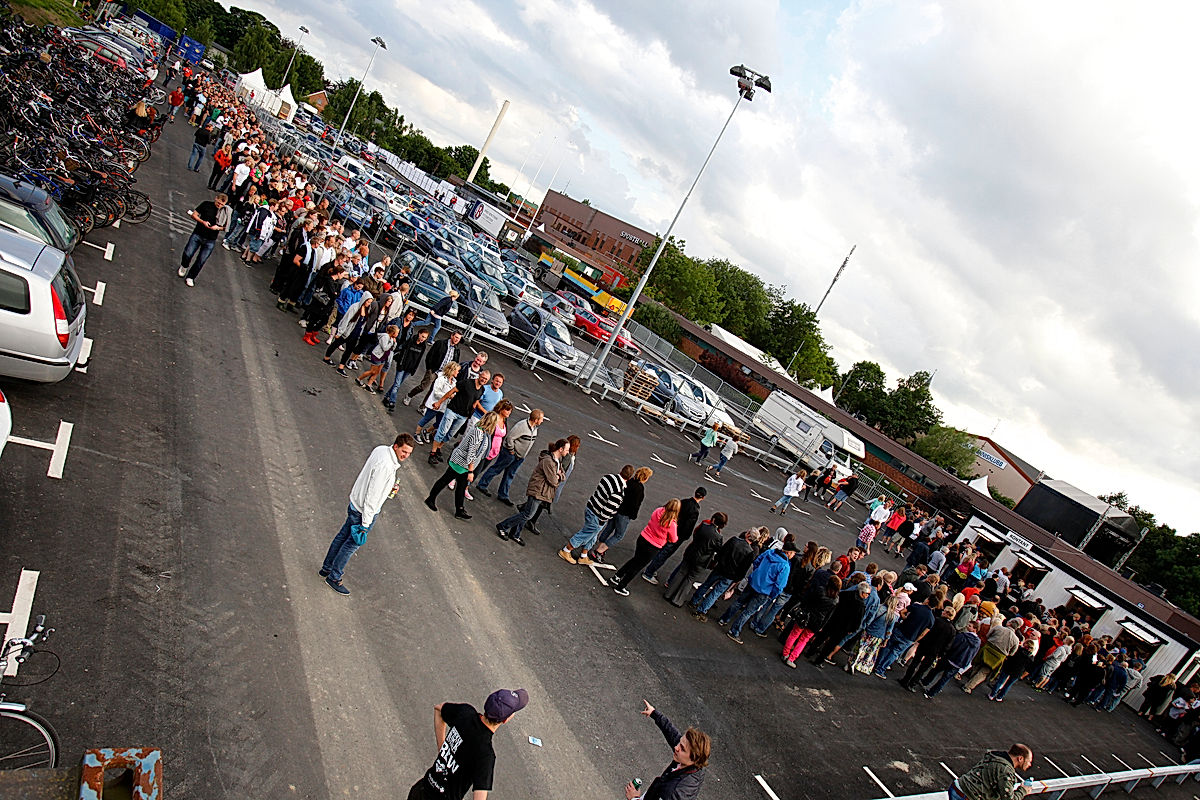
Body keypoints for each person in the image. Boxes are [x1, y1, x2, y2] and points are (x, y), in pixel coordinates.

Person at [319, 434, 415, 595]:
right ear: (396, 446)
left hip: (355, 503)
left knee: (342, 537)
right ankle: (334, 577)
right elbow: (372, 495)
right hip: (364, 512)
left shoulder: (381, 450)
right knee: (351, 545)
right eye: (404, 451)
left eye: (409, 453)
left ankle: (326, 568)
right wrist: (366, 523)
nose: (405, 456)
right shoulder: (386, 466)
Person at [407, 688, 529, 800]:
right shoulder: (485, 755)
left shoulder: (465, 712)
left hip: (421, 790)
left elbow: (439, 709)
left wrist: (442, 748)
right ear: (505, 720)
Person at [627, 700, 709, 800]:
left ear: (694, 759)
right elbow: (673, 736)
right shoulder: (696, 765)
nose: (676, 747)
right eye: (680, 743)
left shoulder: (671, 793)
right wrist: (654, 714)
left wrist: (633, 798)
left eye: (682, 749)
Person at [425, 411, 500, 520]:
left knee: (460, 486)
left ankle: (459, 509)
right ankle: (431, 499)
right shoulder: (478, 433)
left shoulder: (482, 431)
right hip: (460, 462)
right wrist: (470, 471)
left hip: (463, 464)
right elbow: (471, 452)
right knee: (445, 480)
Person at [719, 542, 796, 644]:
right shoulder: (785, 566)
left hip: (753, 583)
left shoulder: (770, 552)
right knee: (748, 612)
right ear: (789, 553)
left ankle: (724, 619)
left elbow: (756, 562)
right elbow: (779, 585)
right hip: (764, 592)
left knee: (739, 602)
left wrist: (757, 574)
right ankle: (734, 631)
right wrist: (772, 595)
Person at [495, 438, 569, 546]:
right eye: (567, 450)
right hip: (538, 491)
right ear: (561, 449)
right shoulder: (548, 461)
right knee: (527, 515)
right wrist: (557, 476)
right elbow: (553, 481)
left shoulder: (557, 461)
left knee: (526, 513)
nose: (568, 453)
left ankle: (515, 534)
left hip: (543, 492)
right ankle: (503, 526)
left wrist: (558, 475)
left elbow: (563, 476)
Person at [609, 499, 681, 596]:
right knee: (637, 567)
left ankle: (617, 576)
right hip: (653, 546)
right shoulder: (671, 524)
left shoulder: (658, 511)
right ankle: (621, 586)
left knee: (635, 559)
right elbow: (674, 539)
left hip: (643, 537)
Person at [560, 468, 630, 565]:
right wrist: (602, 521)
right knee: (586, 533)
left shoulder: (608, 477)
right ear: (629, 478)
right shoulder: (619, 492)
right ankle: (566, 550)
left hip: (591, 507)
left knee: (593, 536)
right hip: (598, 515)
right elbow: (608, 510)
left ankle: (584, 555)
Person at [476, 409, 543, 505]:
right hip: (510, 454)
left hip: (520, 457)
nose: (542, 421)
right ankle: (482, 485)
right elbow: (510, 438)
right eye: (541, 419)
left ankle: (503, 495)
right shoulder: (522, 426)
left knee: (510, 475)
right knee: (497, 469)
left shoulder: (535, 428)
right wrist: (511, 450)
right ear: (536, 420)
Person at [689, 528, 756, 621]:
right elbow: (743, 569)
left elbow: (722, 551)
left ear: (748, 535)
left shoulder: (734, 540)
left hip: (720, 568)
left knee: (707, 584)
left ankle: (694, 600)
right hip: (730, 575)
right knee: (716, 593)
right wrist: (736, 579)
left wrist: (717, 561)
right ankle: (702, 610)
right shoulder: (750, 552)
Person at [643, 487, 705, 585]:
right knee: (665, 554)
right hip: (678, 535)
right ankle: (649, 572)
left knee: (661, 550)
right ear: (703, 498)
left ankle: (651, 568)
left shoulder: (684, 502)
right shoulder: (695, 510)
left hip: (670, 529)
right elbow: (689, 526)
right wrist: (685, 537)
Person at [663, 513, 727, 607]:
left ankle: (668, 594)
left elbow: (695, 535)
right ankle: (678, 600)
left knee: (681, 572)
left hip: (691, 553)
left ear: (713, 519)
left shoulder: (703, 526)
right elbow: (718, 550)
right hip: (702, 560)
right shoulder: (719, 537)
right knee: (690, 578)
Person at [428, 368, 489, 466]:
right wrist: (439, 402)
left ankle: (439, 447)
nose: (484, 380)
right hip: (453, 410)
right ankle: (433, 453)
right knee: (443, 430)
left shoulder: (482, 390)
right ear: (479, 375)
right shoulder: (467, 383)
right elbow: (451, 392)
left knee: (450, 434)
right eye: (483, 378)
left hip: (463, 416)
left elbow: (475, 402)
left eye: (486, 379)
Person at [590, 467, 651, 564]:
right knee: (619, 535)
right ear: (645, 477)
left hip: (616, 509)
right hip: (625, 515)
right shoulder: (639, 489)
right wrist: (633, 516)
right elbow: (635, 505)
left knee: (609, 528)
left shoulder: (629, 482)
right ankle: (600, 551)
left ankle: (599, 545)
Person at [780, 575, 841, 667]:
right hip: (817, 622)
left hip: (806, 616)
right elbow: (828, 616)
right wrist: (821, 626)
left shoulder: (820, 590)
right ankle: (792, 658)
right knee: (803, 640)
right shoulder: (835, 600)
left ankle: (785, 653)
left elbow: (807, 600)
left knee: (794, 634)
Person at [948, 744, 1034, 800]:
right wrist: (1023, 790)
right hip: (968, 796)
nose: (1030, 764)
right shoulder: (1006, 771)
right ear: (1020, 758)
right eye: (1029, 761)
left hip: (958, 787)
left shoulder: (994, 756)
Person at [178, 193, 227, 287]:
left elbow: (226, 227)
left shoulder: (225, 212)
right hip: (198, 233)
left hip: (211, 239)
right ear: (216, 199)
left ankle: (191, 277)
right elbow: (194, 214)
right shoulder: (206, 204)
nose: (219, 206)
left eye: (222, 204)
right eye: (218, 203)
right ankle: (184, 266)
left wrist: (218, 228)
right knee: (188, 253)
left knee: (201, 260)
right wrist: (202, 222)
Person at [922, 621, 983, 698]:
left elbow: (952, 645)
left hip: (949, 658)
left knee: (935, 670)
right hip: (958, 664)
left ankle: (925, 681)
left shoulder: (963, 636)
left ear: (975, 629)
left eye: (970, 626)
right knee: (944, 679)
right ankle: (932, 693)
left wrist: (945, 653)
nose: (967, 626)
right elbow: (972, 654)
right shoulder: (978, 643)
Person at [405, 331, 463, 406]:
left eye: (459, 339)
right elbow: (430, 355)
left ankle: (423, 406)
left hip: (444, 374)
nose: (457, 340)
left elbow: (455, 363)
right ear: (452, 335)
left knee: (433, 391)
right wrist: (430, 369)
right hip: (434, 370)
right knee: (423, 387)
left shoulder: (456, 350)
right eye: (456, 337)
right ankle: (409, 395)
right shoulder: (440, 343)